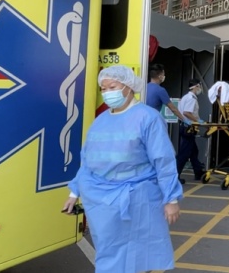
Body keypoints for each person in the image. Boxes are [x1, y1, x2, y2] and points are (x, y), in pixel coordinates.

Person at [61, 65, 182, 273]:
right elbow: (88, 160)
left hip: (138, 198)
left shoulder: (148, 117)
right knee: (108, 249)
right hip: (102, 201)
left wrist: (171, 199)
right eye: (103, 88)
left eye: (112, 87)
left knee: (140, 252)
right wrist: (74, 193)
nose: (107, 92)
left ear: (128, 87)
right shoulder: (101, 121)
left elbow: (163, 160)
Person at [175, 79, 205, 184]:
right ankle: (175, 176)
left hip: (185, 126)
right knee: (184, 153)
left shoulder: (185, 97)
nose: (200, 89)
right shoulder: (191, 99)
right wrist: (198, 121)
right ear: (195, 87)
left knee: (193, 151)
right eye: (199, 86)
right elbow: (187, 113)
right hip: (188, 127)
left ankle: (198, 172)